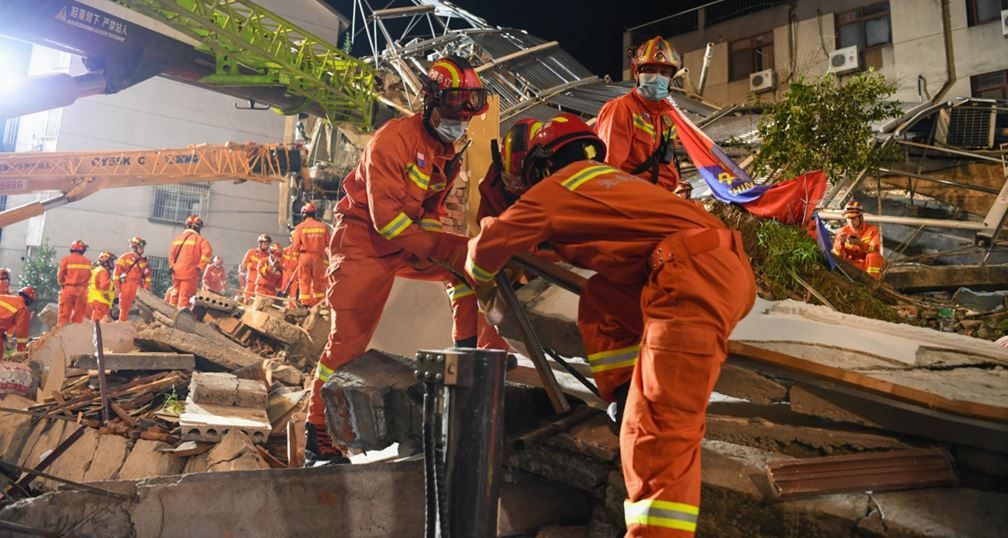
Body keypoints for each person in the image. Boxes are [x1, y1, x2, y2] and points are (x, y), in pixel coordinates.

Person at [462, 114, 755, 537]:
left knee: (655, 428)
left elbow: (488, 247)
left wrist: (484, 283)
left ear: (542, 167)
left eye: (527, 181)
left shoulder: (561, 186)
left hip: (690, 279)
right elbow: (585, 254)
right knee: (601, 298)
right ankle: (621, 393)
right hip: (713, 269)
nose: (527, 191)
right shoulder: (607, 184)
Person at [304, 55, 496, 466]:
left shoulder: (446, 148)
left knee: (470, 265)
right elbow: (386, 220)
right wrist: (436, 247)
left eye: (467, 114)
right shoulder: (393, 140)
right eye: (452, 111)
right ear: (430, 101)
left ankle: (470, 365)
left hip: (404, 243)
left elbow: (429, 209)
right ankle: (318, 436)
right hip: (364, 244)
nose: (460, 121)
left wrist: (445, 247)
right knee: (349, 343)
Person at [595, 36, 682, 193]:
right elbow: (608, 171)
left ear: (671, 78)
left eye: (664, 72)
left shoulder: (667, 117)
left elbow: (666, 163)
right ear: (636, 72)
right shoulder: (621, 109)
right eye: (650, 70)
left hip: (660, 198)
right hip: (632, 200)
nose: (657, 77)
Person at [831, 200, 884, 279]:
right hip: (850, 267)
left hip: (866, 266)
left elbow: (875, 250)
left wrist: (860, 243)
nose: (851, 221)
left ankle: (872, 281)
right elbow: (837, 256)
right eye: (849, 218)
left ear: (861, 217)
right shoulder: (842, 232)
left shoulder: (872, 230)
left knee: (873, 256)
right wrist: (841, 244)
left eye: (854, 218)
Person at [168, 215, 213, 309]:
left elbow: (171, 256)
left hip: (176, 272)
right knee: (185, 296)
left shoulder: (177, 239)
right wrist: (201, 266)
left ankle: (170, 313)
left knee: (175, 293)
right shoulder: (200, 240)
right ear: (197, 227)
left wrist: (172, 266)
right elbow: (207, 252)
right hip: (190, 272)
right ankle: (181, 319)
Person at [290, 203, 329, 306]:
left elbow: (295, 246)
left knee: (304, 281)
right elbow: (328, 245)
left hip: (305, 257)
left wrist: (297, 260)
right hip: (318, 258)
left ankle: (305, 305)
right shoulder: (323, 227)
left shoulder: (300, 227)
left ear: (304, 214)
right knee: (318, 283)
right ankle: (319, 305)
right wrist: (326, 260)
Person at [113, 236, 151, 321]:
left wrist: (145, 288)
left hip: (138, 287)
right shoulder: (125, 257)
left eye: (143, 247)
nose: (143, 249)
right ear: (134, 247)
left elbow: (147, 276)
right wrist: (117, 287)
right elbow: (116, 273)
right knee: (124, 308)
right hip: (126, 285)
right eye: (141, 247)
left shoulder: (144, 261)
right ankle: (122, 325)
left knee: (140, 309)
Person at [57, 240, 92, 326]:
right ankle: (74, 332)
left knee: (64, 313)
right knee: (78, 314)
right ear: (82, 250)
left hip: (68, 289)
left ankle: (62, 332)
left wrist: (62, 284)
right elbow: (89, 276)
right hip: (82, 290)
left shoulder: (65, 259)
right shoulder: (87, 261)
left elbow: (60, 275)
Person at [0, 287, 35, 351]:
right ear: (29, 300)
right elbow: (22, 331)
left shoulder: (7, 298)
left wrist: (3, 336)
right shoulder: (22, 308)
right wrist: (21, 348)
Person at [240, 233, 271, 302]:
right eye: (264, 243)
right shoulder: (251, 252)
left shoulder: (268, 257)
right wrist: (257, 267)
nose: (266, 245)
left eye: (267, 243)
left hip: (261, 284)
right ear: (260, 243)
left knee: (258, 302)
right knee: (247, 299)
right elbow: (245, 264)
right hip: (251, 280)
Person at [88, 251, 116, 321]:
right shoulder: (103, 271)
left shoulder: (97, 270)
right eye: (111, 261)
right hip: (101, 301)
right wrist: (107, 297)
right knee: (101, 323)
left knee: (98, 321)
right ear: (105, 262)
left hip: (96, 300)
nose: (113, 263)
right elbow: (104, 286)